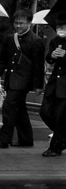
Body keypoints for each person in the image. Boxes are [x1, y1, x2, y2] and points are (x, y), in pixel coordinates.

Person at [0, 10, 45, 148]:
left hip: (24, 81)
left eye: (21, 23)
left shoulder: (36, 41)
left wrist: (38, 85)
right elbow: (2, 60)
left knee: (9, 107)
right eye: (16, 23)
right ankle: (26, 140)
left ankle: (4, 139)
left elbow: (39, 65)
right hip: (11, 79)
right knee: (20, 111)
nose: (18, 26)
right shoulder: (10, 38)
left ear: (29, 23)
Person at [39, 15, 66, 157]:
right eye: (58, 27)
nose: (60, 30)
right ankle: (62, 137)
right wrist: (53, 56)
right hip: (54, 83)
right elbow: (48, 57)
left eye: (63, 27)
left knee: (60, 116)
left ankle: (55, 147)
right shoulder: (55, 41)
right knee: (45, 112)